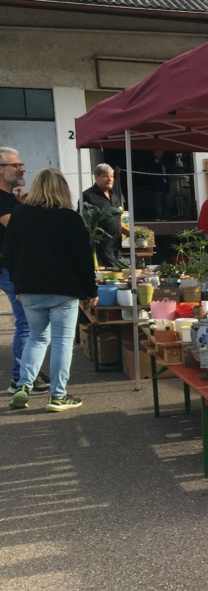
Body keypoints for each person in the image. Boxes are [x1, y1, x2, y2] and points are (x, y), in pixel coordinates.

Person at [5, 168, 97, 412]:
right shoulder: (70, 218)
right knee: (62, 343)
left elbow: (10, 254)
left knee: (36, 338)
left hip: (29, 289)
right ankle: (58, 396)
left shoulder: (19, 214)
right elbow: (83, 258)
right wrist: (91, 290)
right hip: (63, 290)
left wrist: (16, 284)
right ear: (62, 190)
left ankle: (23, 385)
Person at [0, 147, 48, 395]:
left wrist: (23, 203)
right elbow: (17, 227)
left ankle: (28, 371)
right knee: (26, 323)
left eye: (21, 164)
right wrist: (27, 207)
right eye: (15, 165)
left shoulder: (12, 199)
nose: (22, 168)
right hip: (9, 268)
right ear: (1, 170)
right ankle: (20, 378)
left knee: (29, 322)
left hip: (17, 267)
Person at [81, 163, 127, 269]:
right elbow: (85, 221)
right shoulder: (88, 196)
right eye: (105, 176)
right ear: (96, 177)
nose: (109, 179)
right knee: (111, 273)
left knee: (116, 275)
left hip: (116, 245)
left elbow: (115, 219)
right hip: (101, 248)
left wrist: (128, 232)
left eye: (111, 176)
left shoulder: (113, 195)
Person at [150, 151, 169, 221]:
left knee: (163, 200)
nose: (160, 154)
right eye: (159, 152)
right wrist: (156, 164)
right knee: (158, 200)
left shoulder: (163, 162)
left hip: (163, 184)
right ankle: (158, 215)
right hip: (157, 185)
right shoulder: (153, 162)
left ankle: (163, 215)